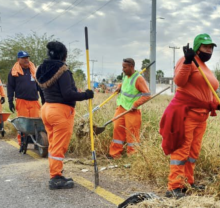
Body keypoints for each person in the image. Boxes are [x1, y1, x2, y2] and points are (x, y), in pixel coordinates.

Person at [159, 34, 220, 198]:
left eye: (211, 47)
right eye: (205, 46)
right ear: (197, 47)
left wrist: (218, 105)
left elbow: (206, 91)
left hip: (201, 116)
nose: (209, 50)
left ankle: (188, 182)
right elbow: (180, 82)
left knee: (193, 152)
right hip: (187, 114)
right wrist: (188, 61)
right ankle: (174, 187)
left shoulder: (204, 66)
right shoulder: (188, 60)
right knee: (182, 150)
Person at [36, 41, 94, 190]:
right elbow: (68, 94)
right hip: (60, 111)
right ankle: (55, 177)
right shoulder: (63, 71)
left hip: (46, 109)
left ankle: (56, 172)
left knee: (53, 144)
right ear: (63, 55)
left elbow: (42, 92)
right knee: (59, 146)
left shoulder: (41, 69)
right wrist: (86, 95)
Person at [108, 58, 151, 159]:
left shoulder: (139, 79)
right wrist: (119, 86)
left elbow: (147, 95)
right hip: (122, 107)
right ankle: (115, 154)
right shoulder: (125, 75)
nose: (123, 69)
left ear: (131, 67)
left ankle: (133, 156)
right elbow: (125, 83)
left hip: (132, 110)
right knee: (117, 128)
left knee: (132, 134)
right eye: (122, 67)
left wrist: (135, 104)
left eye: (125, 67)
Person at [8, 51, 44, 144]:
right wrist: (10, 100)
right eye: (23, 58)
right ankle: (22, 142)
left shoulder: (34, 70)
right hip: (21, 101)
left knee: (37, 122)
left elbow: (40, 86)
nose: (26, 60)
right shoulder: (14, 71)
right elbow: (10, 87)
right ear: (18, 59)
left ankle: (38, 141)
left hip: (34, 101)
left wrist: (44, 98)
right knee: (23, 124)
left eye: (27, 57)